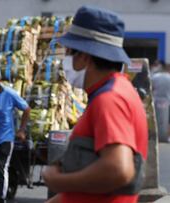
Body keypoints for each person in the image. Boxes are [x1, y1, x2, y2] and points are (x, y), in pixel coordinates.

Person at [41, 5, 148, 203]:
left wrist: (60, 181)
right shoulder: (115, 90)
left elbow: (118, 169)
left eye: (68, 52)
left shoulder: (110, 99)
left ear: (83, 57)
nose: (65, 60)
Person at [0, 65, 31, 203]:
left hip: (4, 137)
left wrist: (21, 130)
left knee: (1, 167)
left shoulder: (9, 94)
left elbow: (26, 109)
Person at [152, 64, 170, 142]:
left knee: (155, 118)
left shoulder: (155, 77)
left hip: (156, 100)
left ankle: (154, 135)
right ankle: (167, 136)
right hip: (167, 101)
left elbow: (151, 88)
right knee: (168, 120)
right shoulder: (169, 77)